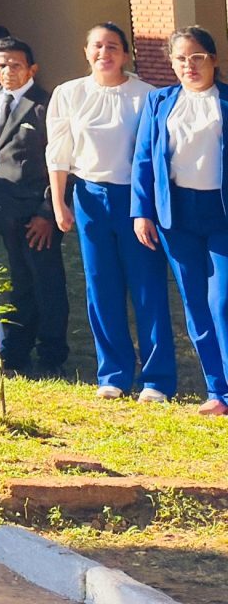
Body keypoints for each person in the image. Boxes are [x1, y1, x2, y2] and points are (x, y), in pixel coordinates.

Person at [49, 22, 175, 401]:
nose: (105, 53)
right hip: (89, 197)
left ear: (126, 53)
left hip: (135, 201)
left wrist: (147, 208)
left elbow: (154, 157)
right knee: (100, 286)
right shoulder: (69, 94)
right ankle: (114, 373)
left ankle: (157, 379)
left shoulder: (147, 96)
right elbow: (58, 152)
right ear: (86, 51)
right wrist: (60, 202)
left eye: (113, 47)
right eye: (98, 46)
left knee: (147, 287)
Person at [132, 27, 228, 415]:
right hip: (176, 214)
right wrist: (142, 211)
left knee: (221, 300)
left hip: (221, 213)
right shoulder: (159, 102)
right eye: (181, 59)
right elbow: (142, 160)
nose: (189, 66)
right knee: (194, 302)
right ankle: (217, 391)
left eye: (198, 57)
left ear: (214, 60)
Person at [0, 36, 67, 377]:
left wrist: (47, 212)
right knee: (19, 282)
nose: (8, 71)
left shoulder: (45, 105)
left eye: (16, 64)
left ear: (32, 68)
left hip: (37, 213)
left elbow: (60, 162)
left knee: (47, 284)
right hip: (7, 211)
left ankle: (52, 353)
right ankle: (17, 349)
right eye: (2, 64)